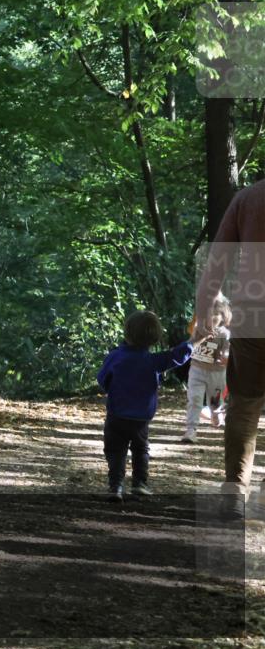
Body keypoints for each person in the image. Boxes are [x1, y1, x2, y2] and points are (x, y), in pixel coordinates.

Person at [194, 179, 265, 520]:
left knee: (245, 406)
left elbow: (218, 259)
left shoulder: (248, 197)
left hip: (253, 313)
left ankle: (235, 493)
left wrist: (204, 306)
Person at [97, 311, 196, 501]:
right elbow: (176, 356)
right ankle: (139, 484)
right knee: (141, 449)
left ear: (127, 333)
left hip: (116, 415)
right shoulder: (153, 361)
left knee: (115, 450)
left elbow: (103, 379)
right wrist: (193, 341)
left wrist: (113, 388)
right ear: (154, 338)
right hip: (141, 418)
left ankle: (116, 486)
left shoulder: (115, 356)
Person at [182, 297, 231, 443]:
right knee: (195, 398)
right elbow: (190, 342)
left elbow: (227, 350)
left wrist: (225, 356)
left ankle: (215, 414)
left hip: (216, 373)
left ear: (223, 317)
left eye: (215, 315)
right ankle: (191, 430)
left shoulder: (223, 334)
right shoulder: (198, 329)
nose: (211, 318)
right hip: (196, 369)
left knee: (215, 401)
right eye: (208, 314)